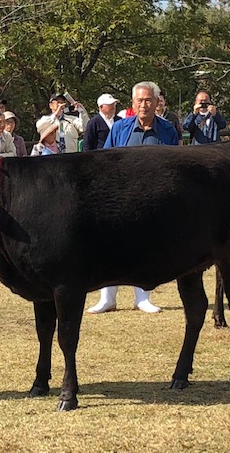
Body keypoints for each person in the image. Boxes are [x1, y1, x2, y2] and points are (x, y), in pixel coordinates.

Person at [88, 81, 178, 315]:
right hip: (119, 197)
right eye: (139, 100)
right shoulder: (119, 128)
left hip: (153, 198)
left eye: (148, 100)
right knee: (111, 247)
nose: (144, 105)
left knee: (146, 248)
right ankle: (107, 298)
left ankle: (142, 298)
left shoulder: (168, 130)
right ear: (133, 103)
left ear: (157, 102)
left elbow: (175, 165)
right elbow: (105, 160)